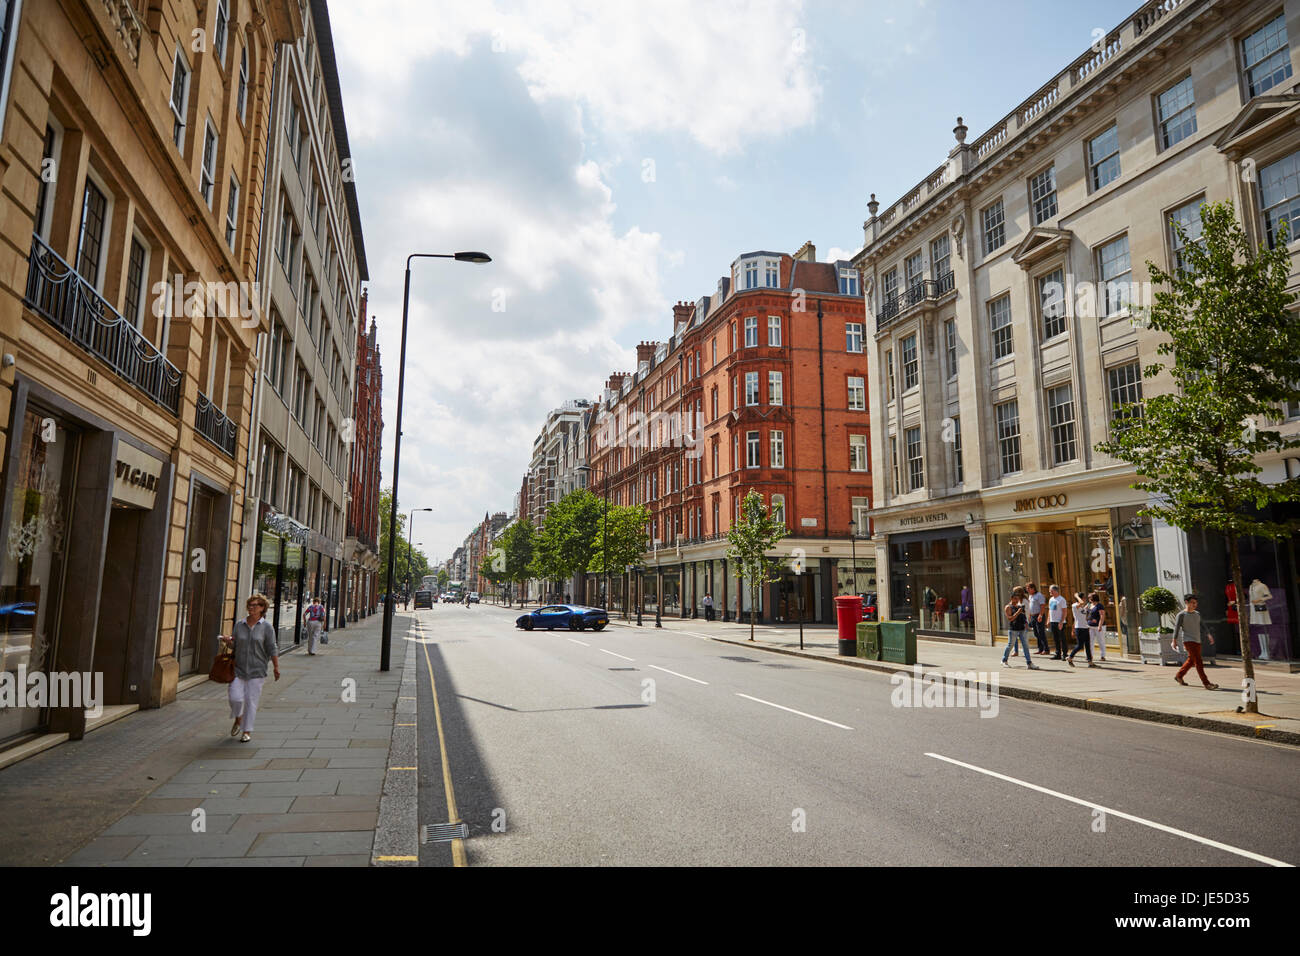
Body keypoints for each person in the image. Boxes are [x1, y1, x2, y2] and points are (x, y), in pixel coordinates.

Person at [219, 593, 279, 743]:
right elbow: (234, 644)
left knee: (251, 701)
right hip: (238, 669)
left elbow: (272, 648)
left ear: (262, 608)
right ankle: (238, 718)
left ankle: (247, 731)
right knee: (235, 698)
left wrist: (276, 667)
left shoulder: (266, 627)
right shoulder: (240, 624)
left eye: (255, 605)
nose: (251, 608)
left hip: (257, 670)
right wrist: (228, 641)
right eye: (250, 605)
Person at [1173, 593, 1219, 690]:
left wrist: (1209, 634)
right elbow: (1176, 628)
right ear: (1186, 602)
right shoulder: (1181, 615)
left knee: (1191, 661)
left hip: (1197, 640)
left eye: (1196, 603)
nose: (1195, 605)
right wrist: (1174, 640)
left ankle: (1179, 676)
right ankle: (1206, 683)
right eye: (1192, 603)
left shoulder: (1197, 614)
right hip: (1188, 640)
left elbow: (1202, 625)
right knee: (1198, 661)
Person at [1002, 587, 1039, 669]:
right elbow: (1010, 618)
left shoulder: (1019, 606)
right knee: (1010, 645)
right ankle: (1004, 660)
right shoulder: (1008, 607)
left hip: (1022, 628)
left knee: (1025, 646)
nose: (1017, 601)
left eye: (1018, 599)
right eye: (1015, 599)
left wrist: (1026, 622)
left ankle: (1029, 663)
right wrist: (1018, 612)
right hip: (1013, 629)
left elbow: (1023, 616)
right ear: (1011, 598)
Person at [1067, 591, 1097, 667]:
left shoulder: (1083, 607)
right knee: (1080, 645)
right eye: (1083, 597)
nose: (1085, 599)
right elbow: (1081, 603)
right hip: (1079, 628)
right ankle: (1070, 657)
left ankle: (1090, 662)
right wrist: (1077, 596)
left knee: (1087, 645)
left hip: (1085, 627)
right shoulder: (1074, 605)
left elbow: (1085, 614)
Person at [1025, 582, 1048, 655]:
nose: (1027, 590)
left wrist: (1040, 615)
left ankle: (1046, 649)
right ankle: (1040, 649)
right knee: (1036, 633)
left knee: (1041, 632)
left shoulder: (1039, 595)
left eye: (1028, 588)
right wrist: (1029, 616)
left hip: (1038, 615)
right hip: (1033, 616)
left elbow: (1042, 606)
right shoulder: (1030, 596)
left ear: (1033, 588)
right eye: (1027, 588)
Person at [1047, 584, 1069, 659]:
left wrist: (1061, 622)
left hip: (1059, 622)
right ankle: (1058, 653)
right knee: (1055, 638)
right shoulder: (1051, 599)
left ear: (1055, 591)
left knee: (1062, 638)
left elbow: (1064, 611)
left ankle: (1065, 654)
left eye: (1051, 590)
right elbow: (1050, 610)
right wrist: (1048, 620)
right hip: (1053, 621)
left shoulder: (1061, 599)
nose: (1050, 592)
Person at [1087, 592, 1108, 661]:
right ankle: (1090, 656)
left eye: (1089, 597)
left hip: (1098, 626)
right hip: (1090, 626)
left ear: (1093, 598)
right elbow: (1085, 613)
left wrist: (1100, 625)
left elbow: (1102, 616)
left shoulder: (1099, 606)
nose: (1089, 598)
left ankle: (1103, 656)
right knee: (1090, 641)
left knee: (1101, 641)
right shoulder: (1089, 605)